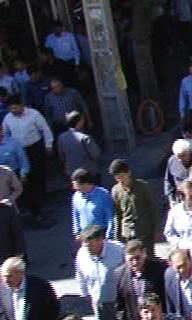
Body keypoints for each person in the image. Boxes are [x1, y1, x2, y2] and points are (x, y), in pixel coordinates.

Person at [1, 95, 52, 224]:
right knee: (22, 181)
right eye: (10, 108)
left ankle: (41, 200)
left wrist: (49, 145)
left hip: (33, 148)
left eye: (15, 107)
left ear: (21, 105)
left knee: (37, 174)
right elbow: (5, 134)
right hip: (15, 153)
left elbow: (45, 129)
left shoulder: (34, 114)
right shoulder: (8, 118)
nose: (13, 110)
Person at [75, 225, 125, 320]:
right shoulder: (82, 254)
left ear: (100, 240)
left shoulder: (118, 250)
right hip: (98, 303)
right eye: (85, 245)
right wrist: (84, 294)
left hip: (119, 301)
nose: (87, 249)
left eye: (90, 245)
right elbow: (80, 275)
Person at [109, 159, 160, 252]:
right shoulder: (116, 191)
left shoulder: (142, 186)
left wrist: (157, 230)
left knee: (148, 256)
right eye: (117, 178)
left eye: (122, 176)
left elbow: (153, 209)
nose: (120, 180)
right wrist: (117, 235)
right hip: (128, 234)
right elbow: (117, 214)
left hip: (145, 232)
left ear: (128, 173)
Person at [113, 240, 167, 320]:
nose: (135, 262)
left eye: (137, 258)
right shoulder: (119, 274)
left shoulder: (159, 269)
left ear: (144, 253)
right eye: (131, 259)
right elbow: (120, 305)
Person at [0, 256, 60, 320]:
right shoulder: (3, 290)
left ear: (20, 273)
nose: (6, 280)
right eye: (3, 276)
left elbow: (53, 308)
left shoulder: (40, 286)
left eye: (9, 276)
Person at [70, 168, 115, 240]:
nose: (74, 188)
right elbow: (76, 215)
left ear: (85, 183)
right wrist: (77, 232)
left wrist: (110, 235)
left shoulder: (103, 194)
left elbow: (110, 216)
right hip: (85, 235)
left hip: (101, 235)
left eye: (76, 185)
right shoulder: (76, 196)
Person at [57, 111, 101, 178]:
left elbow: (62, 157)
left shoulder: (61, 137)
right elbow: (96, 154)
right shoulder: (85, 138)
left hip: (72, 173)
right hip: (88, 172)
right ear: (79, 122)